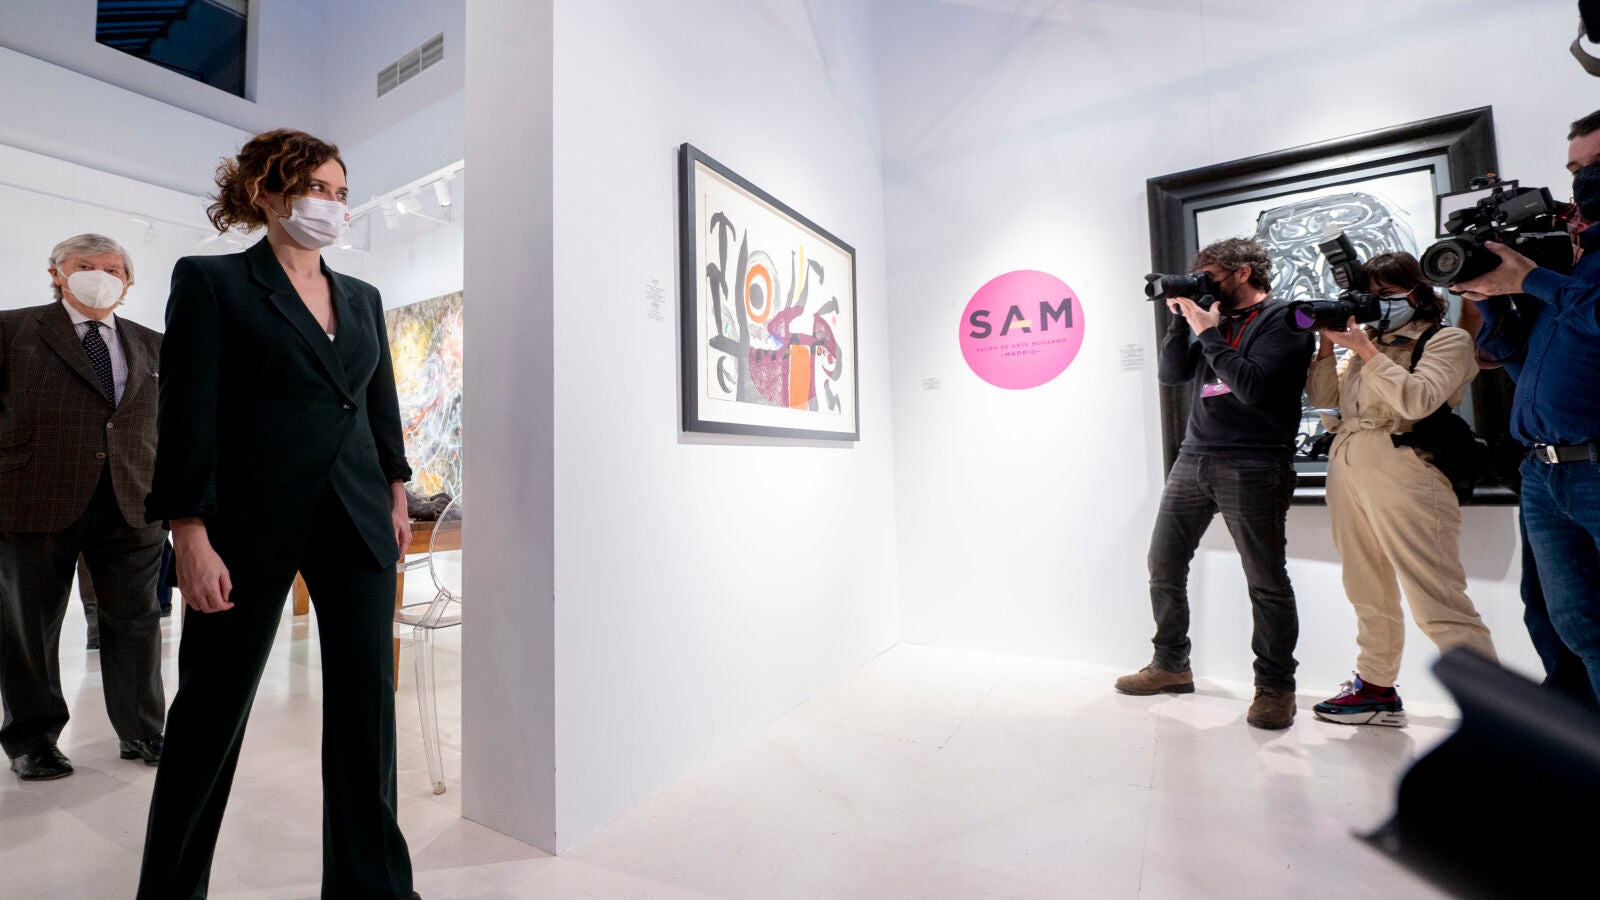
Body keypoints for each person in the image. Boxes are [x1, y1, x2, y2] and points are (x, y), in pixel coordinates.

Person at [137, 129, 420, 899]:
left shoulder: (362, 297)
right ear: (266, 192)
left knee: (367, 713)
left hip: (358, 517)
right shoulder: (212, 282)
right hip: (247, 526)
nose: (331, 203)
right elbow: (187, 415)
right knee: (208, 716)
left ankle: (373, 887)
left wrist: (395, 488)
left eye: (340, 191)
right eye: (315, 188)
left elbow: (377, 404)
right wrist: (188, 532)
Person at [1117, 237, 1314, 729]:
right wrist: (1180, 322)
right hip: (1194, 456)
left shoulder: (1287, 320)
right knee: (1163, 564)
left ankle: (1276, 687)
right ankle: (1171, 664)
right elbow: (1171, 375)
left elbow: (1250, 386)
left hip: (1255, 462)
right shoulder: (1213, 319)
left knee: (1265, 580)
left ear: (1243, 273)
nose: (1203, 285)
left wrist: (1208, 331)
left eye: (1211, 276)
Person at [0, 234, 167, 781]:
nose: (101, 275)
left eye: (113, 268)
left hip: (133, 500)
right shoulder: (12, 330)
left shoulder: (154, 343)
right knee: (29, 626)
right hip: (32, 498)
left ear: (128, 281)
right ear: (57, 273)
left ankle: (142, 728)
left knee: (137, 620)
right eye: (86, 265)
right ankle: (33, 740)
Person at [1305, 251, 1497, 726]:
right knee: (1364, 587)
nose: (1377, 303)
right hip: (1348, 463)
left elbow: (1418, 400)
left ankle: (1496, 713)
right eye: (1370, 295)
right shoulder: (1366, 342)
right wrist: (1328, 347)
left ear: (1418, 291)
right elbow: (1326, 407)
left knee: (1436, 596)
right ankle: (1375, 688)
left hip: (1405, 464)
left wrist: (1368, 354)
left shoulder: (1445, 339)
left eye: (1387, 293)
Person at [1455, 109, 1600, 706]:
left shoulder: (1560, 274)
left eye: (1597, 165)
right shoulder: (1569, 260)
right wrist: (1491, 296)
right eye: (1575, 169)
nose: (1583, 181)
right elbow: (1526, 369)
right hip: (1543, 470)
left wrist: (1530, 280)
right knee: (1570, 628)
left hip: (1595, 466)